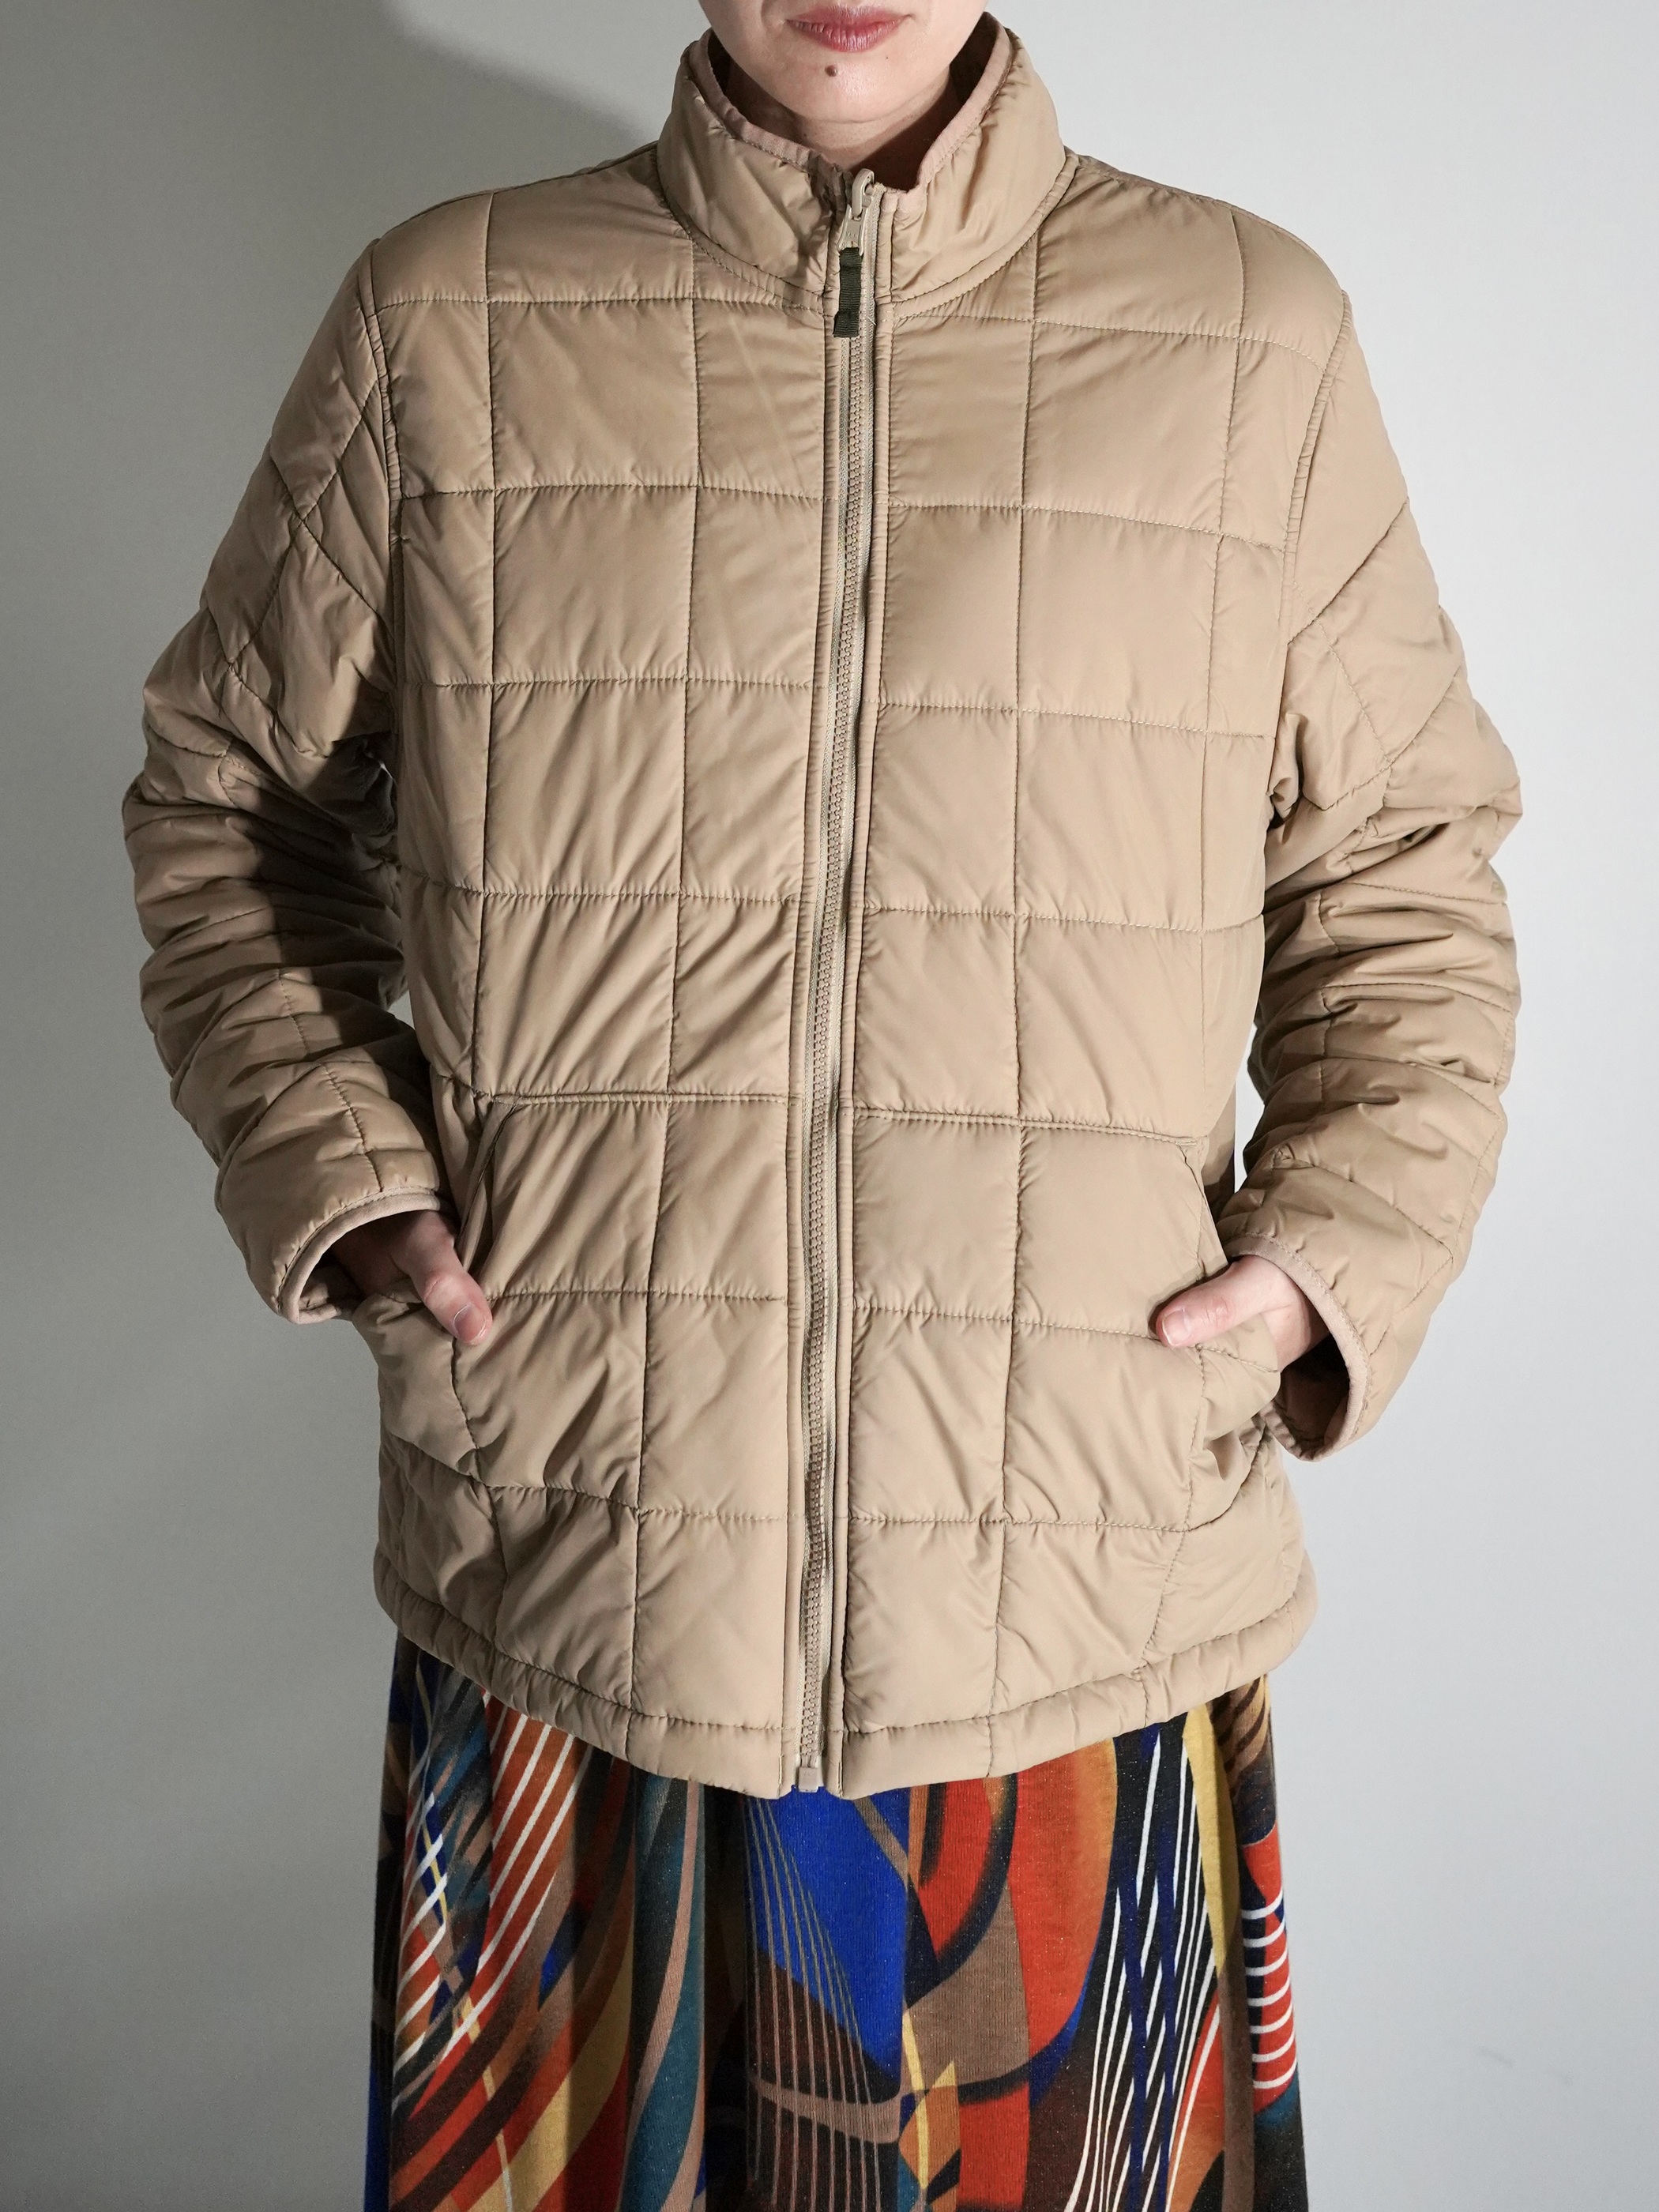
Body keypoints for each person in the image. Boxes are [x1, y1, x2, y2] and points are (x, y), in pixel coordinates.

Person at [124, 3, 1521, 2205]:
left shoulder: (1246, 334)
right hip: (578, 1580)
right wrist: (350, 1180)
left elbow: (1400, 879)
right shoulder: (449, 316)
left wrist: (1324, 1259)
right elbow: (231, 810)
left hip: (1074, 1611)